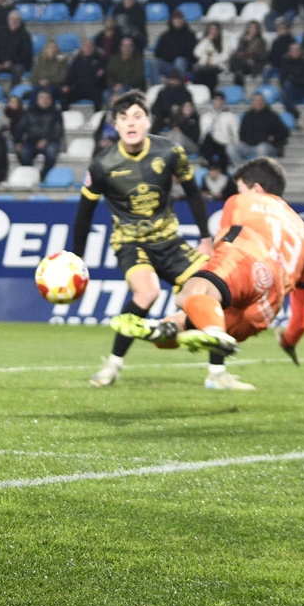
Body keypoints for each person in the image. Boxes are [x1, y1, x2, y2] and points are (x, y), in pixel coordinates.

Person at [108, 158, 304, 390]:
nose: (238, 192)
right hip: (268, 307)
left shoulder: (243, 201)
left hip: (251, 259)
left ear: (256, 189)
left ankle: (207, 332)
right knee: (199, 318)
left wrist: (209, 260)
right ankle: (172, 329)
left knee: (193, 292)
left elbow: (224, 242)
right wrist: (289, 341)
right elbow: (301, 319)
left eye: (240, 188)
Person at [71, 90, 213, 388]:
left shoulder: (170, 152)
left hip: (170, 242)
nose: (131, 123)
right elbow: (84, 213)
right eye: (123, 118)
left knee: (211, 291)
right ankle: (112, 365)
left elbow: (193, 194)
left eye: (137, 116)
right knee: (147, 293)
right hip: (131, 244)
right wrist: (77, 257)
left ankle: (218, 374)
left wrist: (205, 237)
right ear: (115, 125)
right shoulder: (102, 165)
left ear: (148, 121)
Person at [13, 88, 64, 175]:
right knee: (23, 153)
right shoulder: (29, 112)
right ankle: (32, 174)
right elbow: (20, 127)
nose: (45, 100)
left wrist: (46, 140)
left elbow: (58, 131)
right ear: (37, 99)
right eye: (42, 98)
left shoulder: (56, 114)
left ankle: (44, 175)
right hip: (31, 141)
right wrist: (18, 141)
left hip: (50, 141)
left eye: (47, 98)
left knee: (51, 153)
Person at [233, 91, 289, 162]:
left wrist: (274, 137)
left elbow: (285, 132)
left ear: (264, 102)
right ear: (252, 102)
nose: (258, 103)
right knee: (232, 148)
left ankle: (260, 171)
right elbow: (241, 133)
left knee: (261, 148)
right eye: (255, 100)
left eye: (260, 100)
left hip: (267, 146)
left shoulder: (272, 116)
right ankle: (242, 169)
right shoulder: (247, 116)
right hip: (249, 145)